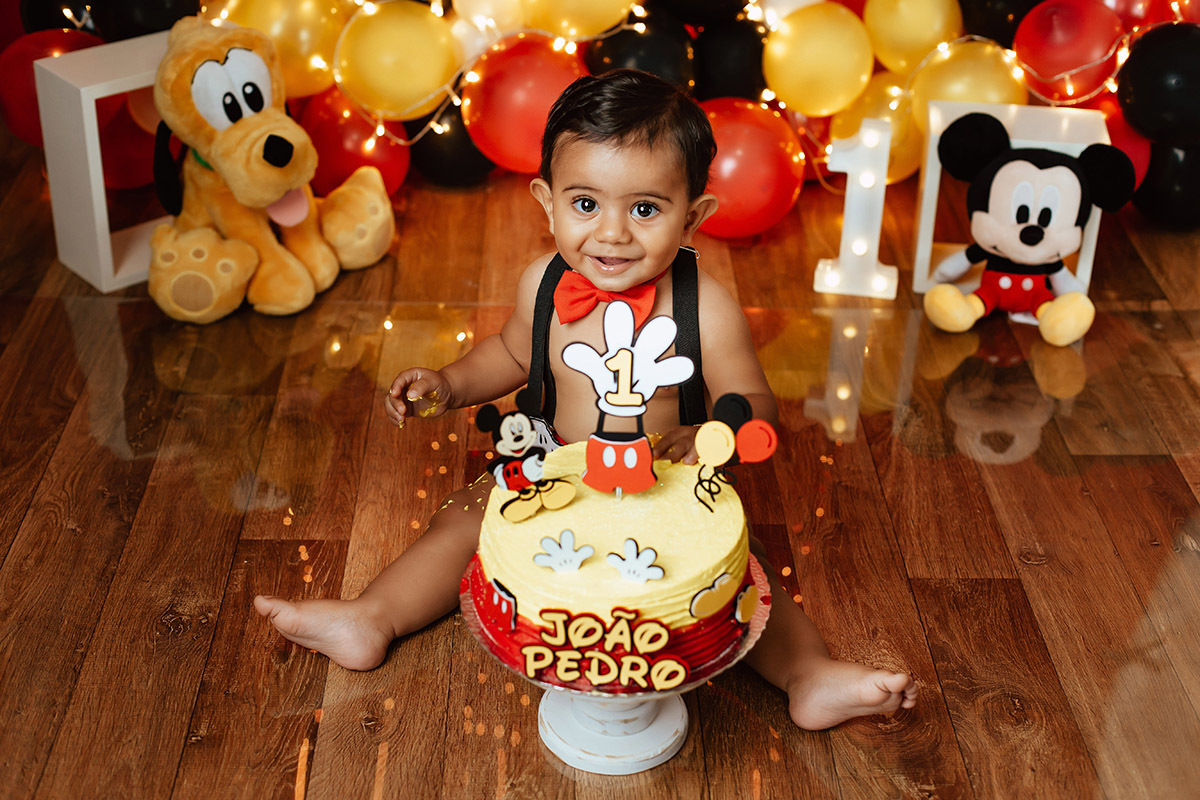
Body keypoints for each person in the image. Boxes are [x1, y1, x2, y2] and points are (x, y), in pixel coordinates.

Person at [255, 69, 916, 730]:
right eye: (586, 204)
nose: (612, 233)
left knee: (736, 573)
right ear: (547, 203)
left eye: (645, 209)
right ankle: (369, 619)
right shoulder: (542, 284)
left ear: (693, 217)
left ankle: (809, 675)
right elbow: (512, 354)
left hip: (666, 481)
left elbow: (751, 396)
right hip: (551, 468)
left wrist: (717, 434)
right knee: (463, 524)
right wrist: (450, 384)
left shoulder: (705, 309)